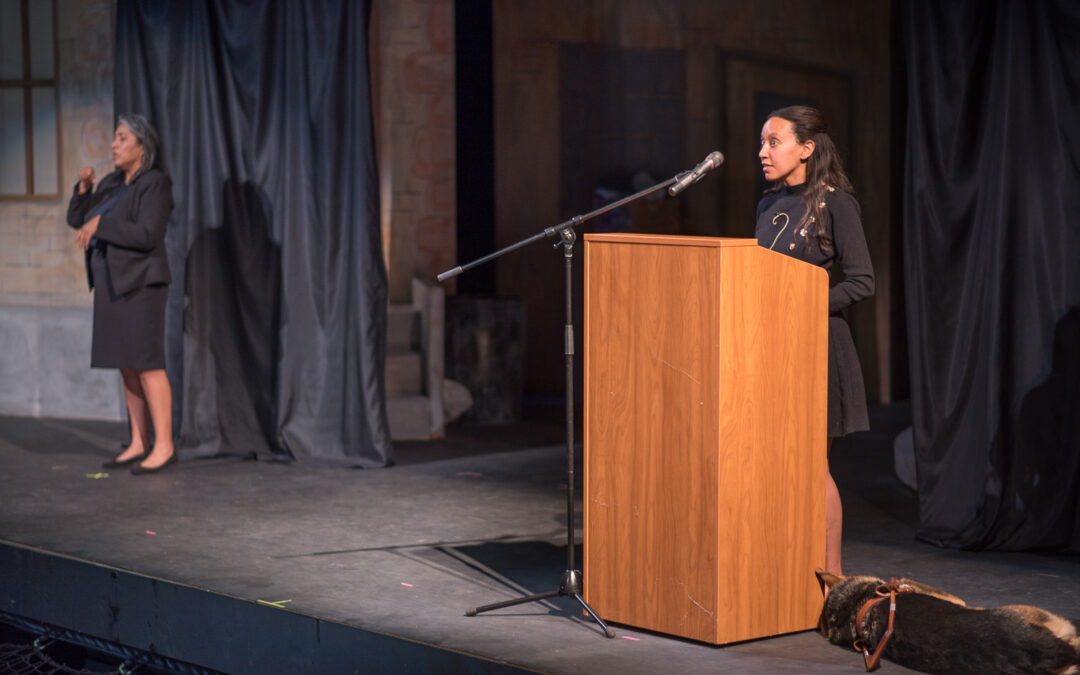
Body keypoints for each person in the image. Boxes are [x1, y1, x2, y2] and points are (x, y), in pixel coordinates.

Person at [755, 105, 874, 575]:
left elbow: (863, 282)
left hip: (817, 348)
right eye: (762, 142)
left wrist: (801, 304)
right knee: (772, 466)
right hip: (769, 349)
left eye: (773, 141)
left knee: (810, 467)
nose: (762, 152)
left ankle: (832, 580)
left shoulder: (835, 203)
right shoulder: (767, 204)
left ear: (806, 149)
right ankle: (780, 572)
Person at [67, 113, 177, 475]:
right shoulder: (115, 183)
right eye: (114, 138)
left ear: (142, 146)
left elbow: (147, 234)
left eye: (122, 138)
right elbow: (78, 218)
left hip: (143, 284)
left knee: (147, 364)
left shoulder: (155, 184)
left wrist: (104, 223)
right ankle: (139, 441)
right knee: (127, 365)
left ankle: (164, 445)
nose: (113, 145)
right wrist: (83, 191)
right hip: (114, 284)